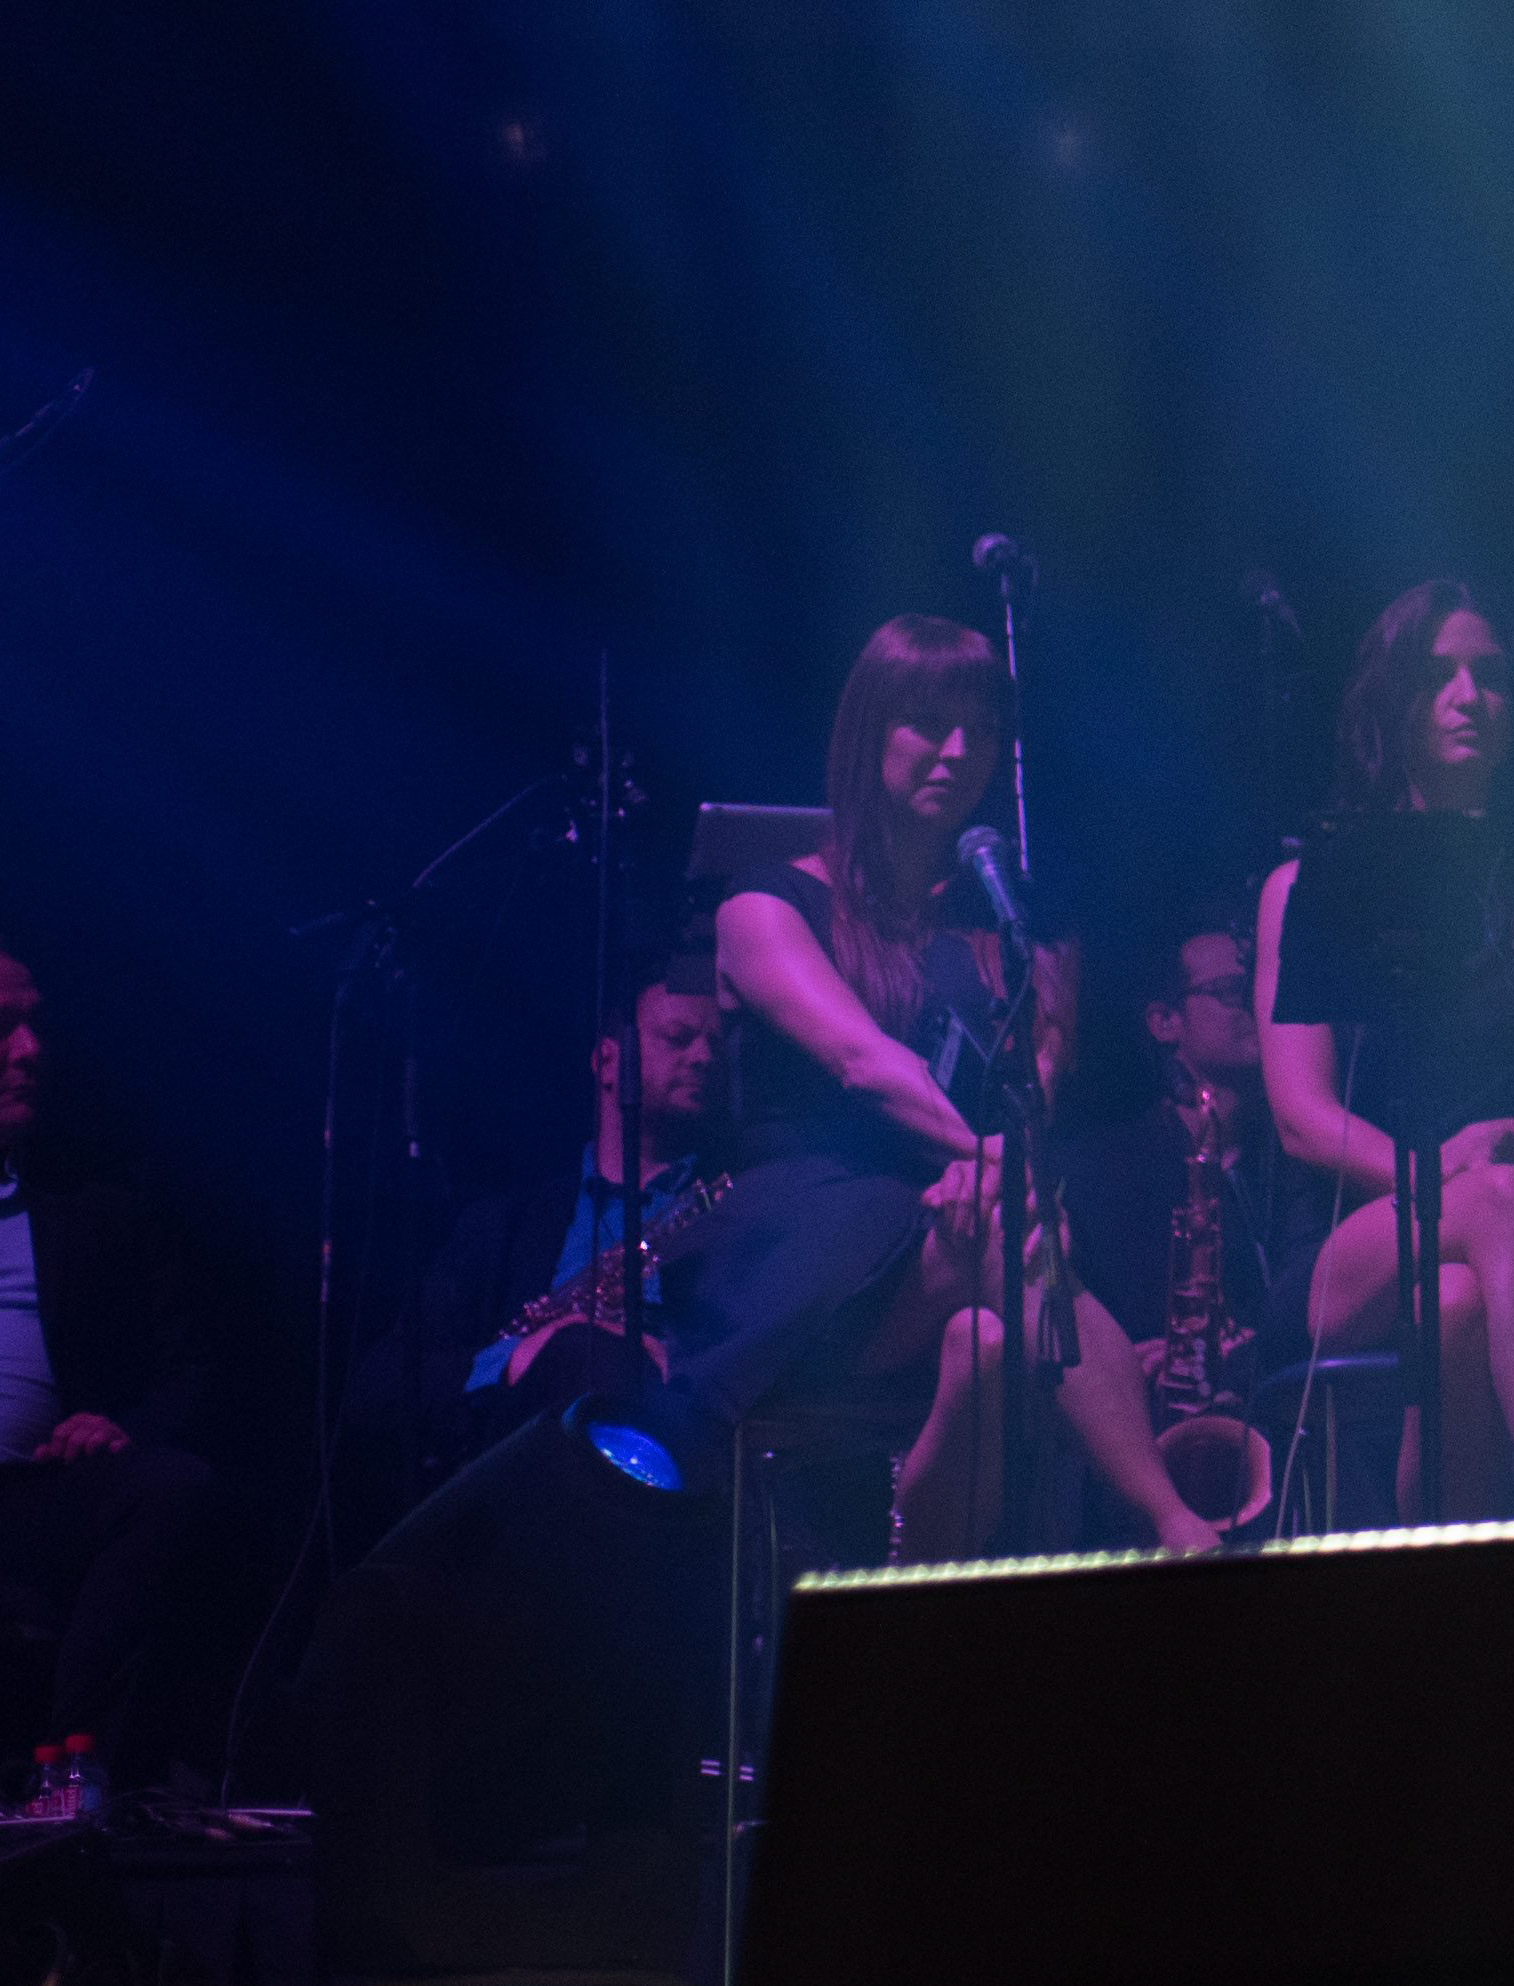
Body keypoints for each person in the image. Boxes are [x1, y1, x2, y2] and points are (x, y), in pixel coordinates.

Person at [669, 612, 1049, 1567]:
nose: (957, 753)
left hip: (948, 1227)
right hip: (802, 1239)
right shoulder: (763, 903)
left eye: (980, 732)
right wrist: (986, 1159)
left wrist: (993, 1169)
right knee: (1031, 1253)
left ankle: (915, 1601)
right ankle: (1175, 1529)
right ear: (867, 731)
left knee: (989, 1338)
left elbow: (1035, 1092)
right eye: (927, 722)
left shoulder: (992, 926)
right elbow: (862, 1065)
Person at [0, 941, 241, 1805]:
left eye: (36, 1028)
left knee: (171, 1487)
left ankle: (72, 1765)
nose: (31, 1052)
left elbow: (192, 1371)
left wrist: (122, 1426)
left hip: (30, 1496)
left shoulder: (96, 1204)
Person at [1258, 584, 1514, 1522]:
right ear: (1393, 702)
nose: (1467, 696)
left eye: (1489, 677)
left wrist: (1499, 1139)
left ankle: (1449, 1569)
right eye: (1438, 674)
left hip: (1491, 1230)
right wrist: (1456, 1179)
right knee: (1503, 1204)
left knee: (1457, 1305)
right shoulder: (1307, 885)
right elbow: (1301, 1119)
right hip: (1344, 1249)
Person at [1049, 917, 1299, 1553]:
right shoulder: (1100, 1166)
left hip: (1283, 1430)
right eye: (1230, 991)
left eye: (1259, 988)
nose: (1255, 1005)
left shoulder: (1300, 1163)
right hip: (1152, 1437)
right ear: (1164, 1022)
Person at [408, 958, 733, 1439]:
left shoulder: (733, 1203)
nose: (705, 1057)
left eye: (717, 1043)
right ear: (605, 1061)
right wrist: (523, 1354)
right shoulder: (503, 1224)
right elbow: (387, 1385)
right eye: (678, 1037)